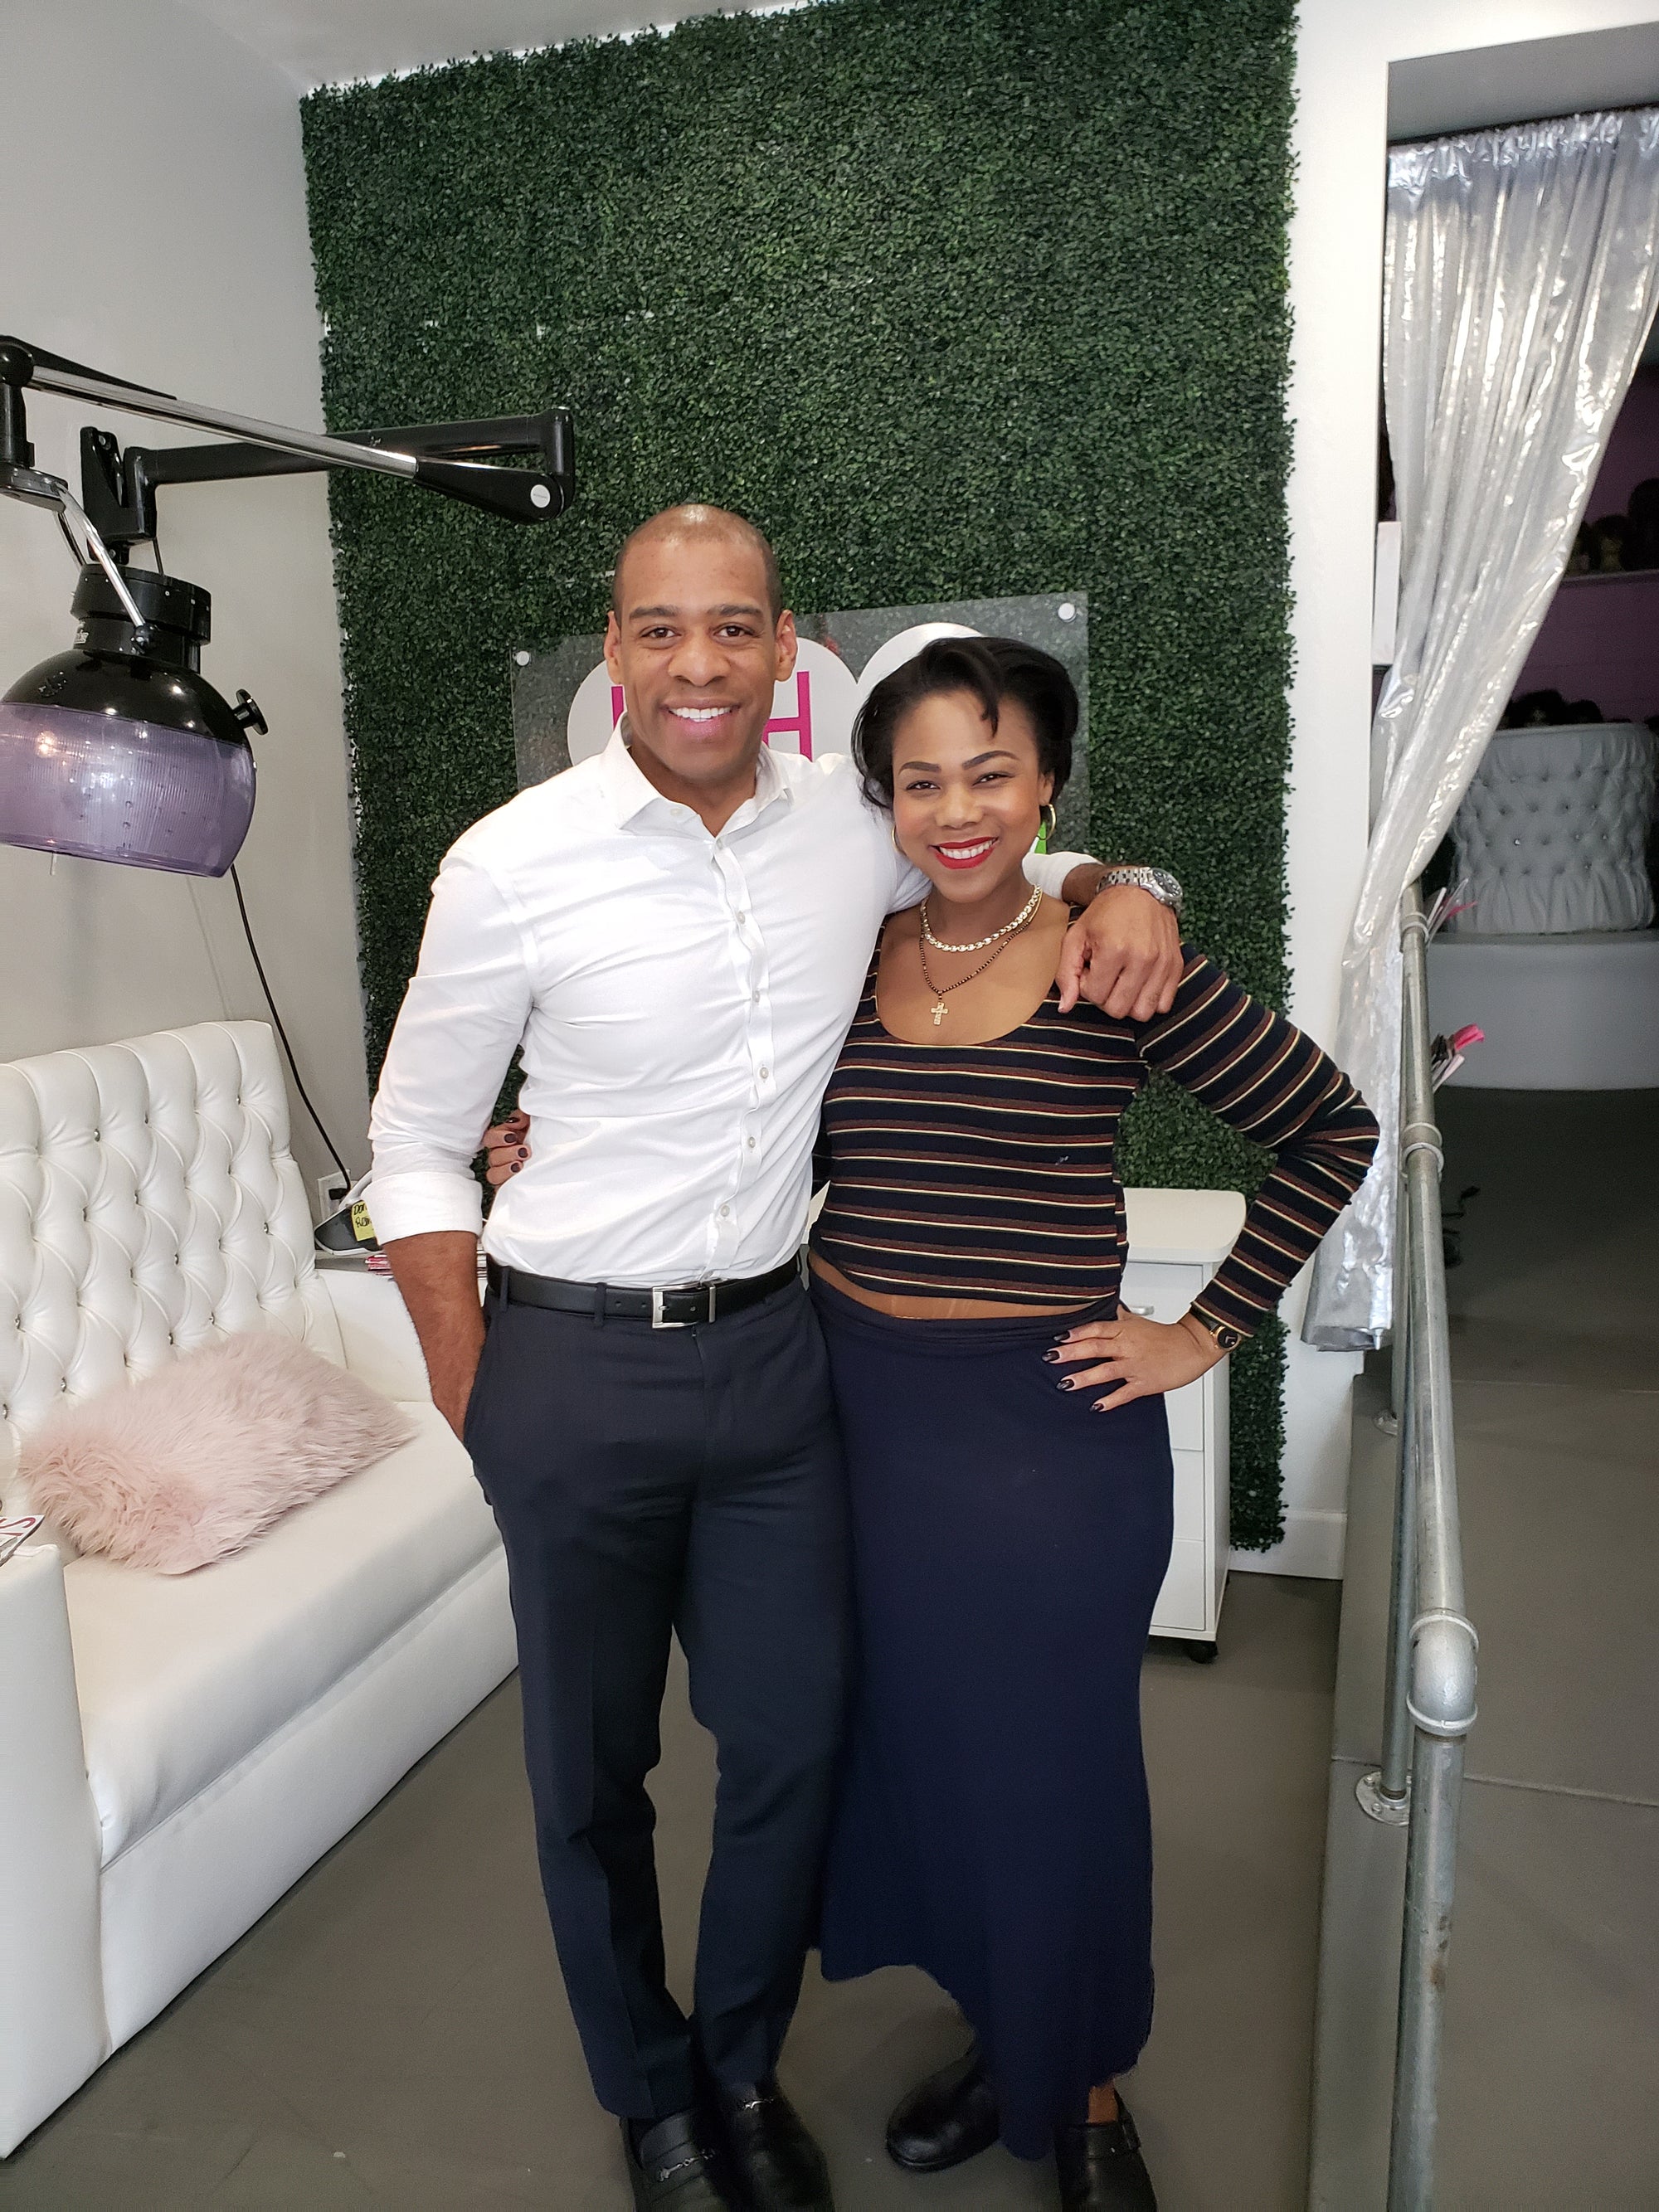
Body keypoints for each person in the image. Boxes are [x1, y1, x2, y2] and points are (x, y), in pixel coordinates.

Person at [366, 504, 1186, 2212]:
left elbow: (995, 851)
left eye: (732, 626)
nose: (699, 663)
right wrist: (471, 1382)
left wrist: (1125, 885)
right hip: (569, 1362)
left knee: (795, 1740)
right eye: (662, 627)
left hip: (773, 1360)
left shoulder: (846, 828)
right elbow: (419, 1144)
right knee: (592, 1772)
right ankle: (650, 2094)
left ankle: (740, 2065)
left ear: (780, 644)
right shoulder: (509, 862)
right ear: (615, 646)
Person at [800, 636, 1379, 2210]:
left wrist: (1205, 1328)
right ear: (884, 801)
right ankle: (1006, 2035)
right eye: (922, 782)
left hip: (1045, 1446)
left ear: (1048, 785)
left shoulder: (1107, 957)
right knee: (921, 1753)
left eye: (991, 775)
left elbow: (1333, 1128)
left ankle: (1089, 2083)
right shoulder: (848, 953)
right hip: (862, 1426)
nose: (957, 812)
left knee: (1055, 1777)